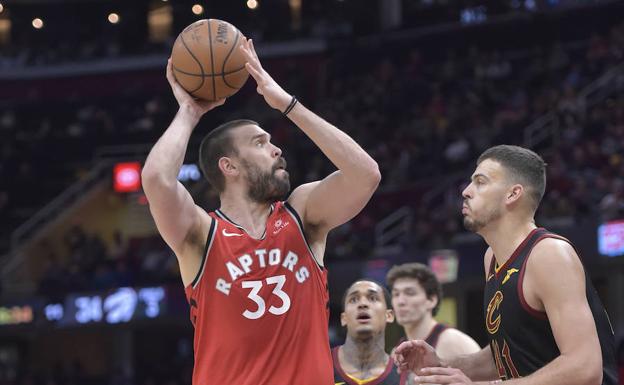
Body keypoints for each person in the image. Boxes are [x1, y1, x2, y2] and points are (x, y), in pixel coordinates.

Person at [141, 39, 381, 385]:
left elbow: (366, 175)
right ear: (229, 166)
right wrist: (189, 112)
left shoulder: (302, 214)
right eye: (259, 143)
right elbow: (156, 178)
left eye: (270, 140)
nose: (276, 149)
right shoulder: (200, 234)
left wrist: (286, 103)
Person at [394, 145, 618, 385]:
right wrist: (442, 365)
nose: (466, 191)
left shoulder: (549, 254)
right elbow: (506, 353)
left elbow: (584, 368)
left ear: (512, 194)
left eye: (480, 182)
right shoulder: (492, 258)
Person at [386, 262, 480, 384]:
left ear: (431, 300)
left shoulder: (453, 341)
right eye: (396, 294)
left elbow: (494, 380)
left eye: (410, 293)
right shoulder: (396, 352)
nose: (400, 301)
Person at [333, 279, 403, 385]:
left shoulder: (404, 375)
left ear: (389, 315)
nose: (363, 304)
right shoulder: (319, 362)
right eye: (354, 300)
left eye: (373, 298)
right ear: (344, 318)